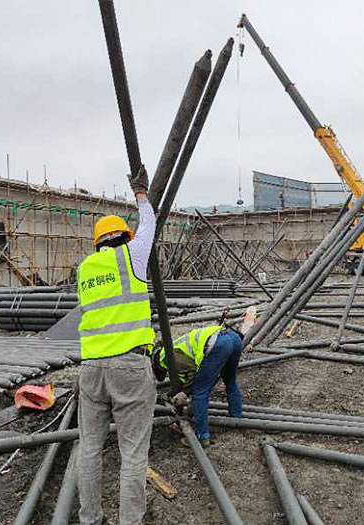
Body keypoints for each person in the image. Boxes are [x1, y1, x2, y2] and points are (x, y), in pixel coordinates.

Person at [76, 165, 155, 525]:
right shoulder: (132, 256)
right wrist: (141, 194)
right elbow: (150, 225)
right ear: (124, 236)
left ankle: (91, 519)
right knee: (133, 452)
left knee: (89, 449)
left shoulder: (86, 269)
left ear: (97, 243)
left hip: (91, 369)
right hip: (129, 368)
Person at [151, 324, 243, 447]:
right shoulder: (174, 346)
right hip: (233, 338)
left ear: (156, 365)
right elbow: (186, 377)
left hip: (218, 344)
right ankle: (236, 419)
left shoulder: (166, 357)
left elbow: (193, 373)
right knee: (230, 382)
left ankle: (202, 437)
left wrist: (184, 393)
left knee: (199, 392)